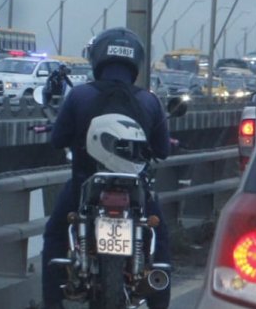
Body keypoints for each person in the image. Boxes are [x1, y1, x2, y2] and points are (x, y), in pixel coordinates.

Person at [40, 27, 172, 309]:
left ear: (98, 58)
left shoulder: (79, 97)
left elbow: (58, 140)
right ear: (135, 62)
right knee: (159, 238)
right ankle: (160, 301)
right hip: (136, 189)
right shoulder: (149, 101)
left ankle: (52, 303)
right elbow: (162, 151)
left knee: (54, 233)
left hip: (85, 184)